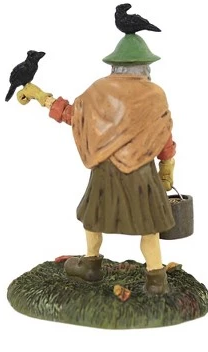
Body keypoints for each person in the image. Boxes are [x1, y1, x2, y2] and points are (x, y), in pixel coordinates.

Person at [17, 34, 176, 294]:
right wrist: (167, 169)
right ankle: (156, 277)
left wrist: (40, 96)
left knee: (93, 218)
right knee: (149, 227)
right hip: (142, 174)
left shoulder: (98, 91)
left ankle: (91, 263)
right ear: (145, 67)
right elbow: (165, 137)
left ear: (115, 65)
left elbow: (73, 115)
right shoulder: (155, 95)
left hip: (106, 171)